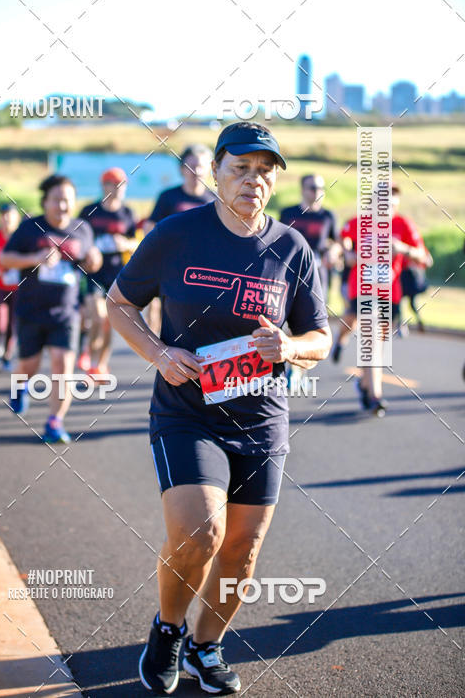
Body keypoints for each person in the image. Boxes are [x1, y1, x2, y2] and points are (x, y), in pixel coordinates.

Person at [107, 122, 331, 695]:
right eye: (240, 168)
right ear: (216, 172)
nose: (253, 180)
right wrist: (159, 352)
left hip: (261, 418)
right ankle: (168, 629)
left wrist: (292, 347)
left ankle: (206, 646)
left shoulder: (291, 247)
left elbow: (320, 338)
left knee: (243, 550)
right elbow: (120, 304)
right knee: (200, 533)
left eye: (264, 171)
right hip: (187, 411)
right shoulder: (175, 234)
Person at [0, 174, 102, 443]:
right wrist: (35, 258)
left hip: (66, 312)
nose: (63, 206)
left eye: (67, 201)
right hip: (31, 310)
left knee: (62, 365)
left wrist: (95, 259)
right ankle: (19, 386)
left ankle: (55, 422)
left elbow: (93, 261)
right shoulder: (29, 228)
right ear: (45, 202)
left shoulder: (83, 229)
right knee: (29, 365)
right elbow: (5, 259)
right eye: (57, 200)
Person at [332, 184, 430, 413]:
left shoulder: (403, 225)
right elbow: (342, 242)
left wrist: (403, 249)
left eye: (393, 206)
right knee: (371, 339)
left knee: (377, 343)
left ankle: (364, 384)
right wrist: (346, 253)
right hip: (363, 289)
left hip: (389, 293)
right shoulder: (359, 222)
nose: (388, 210)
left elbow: (426, 259)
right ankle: (375, 396)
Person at [144, 146, 215, 332]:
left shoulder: (216, 201)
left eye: (201, 166)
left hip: (203, 269)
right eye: (191, 166)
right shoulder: (168, 197)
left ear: (210, 169)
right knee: (162, 316)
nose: (196, 171)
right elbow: (150, 227)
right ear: (182, 169)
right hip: (170, 266)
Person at [79, 168, 138, 375]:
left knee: (108, 323)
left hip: (117, 274)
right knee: (98, 317)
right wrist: (90, 248)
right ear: (104, 186)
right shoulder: (89, 210)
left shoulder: (128, 213)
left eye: (123, 185)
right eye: (115, 184)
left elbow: (137, 242)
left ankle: (100, 365)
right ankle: (87, 349)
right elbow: (77, 238)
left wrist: (125, 243)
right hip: (92, 272)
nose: (120, 189)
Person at [279, 174, 340, 301]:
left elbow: (337, 242)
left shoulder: (328, 216)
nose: (318, 191)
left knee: (316, 308)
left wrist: (333, 252)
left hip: (318, 270)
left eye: (321, 188)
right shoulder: (288, 213)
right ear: (302, 190)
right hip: (290, 268)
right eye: (313, 188)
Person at [0, 204, 21, 369]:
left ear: (16, 218)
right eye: (3, 215)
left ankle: (8, 355)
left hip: (17, 288)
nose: (6, 218)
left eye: (10, 215)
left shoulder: (21, 237)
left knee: (12, 323)